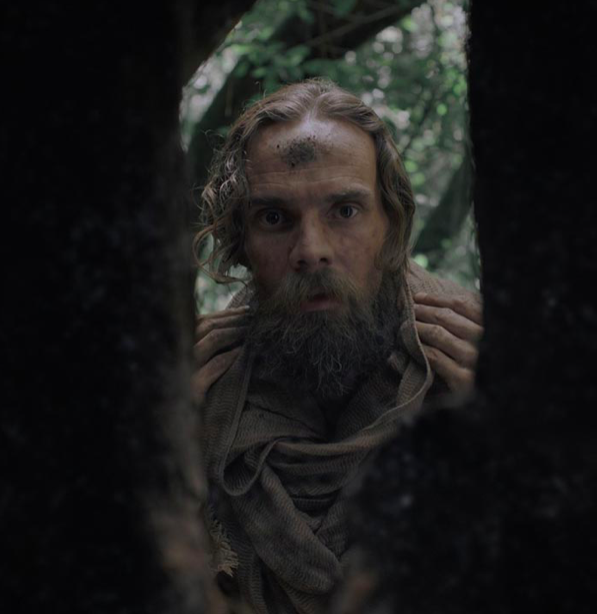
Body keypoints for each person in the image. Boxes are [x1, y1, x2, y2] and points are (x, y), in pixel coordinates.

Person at [192, 78, 483, 614]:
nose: (311, 250)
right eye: (274, 218)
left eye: (344, 210)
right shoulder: (201, 385)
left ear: (391, 224)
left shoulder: (480, 358)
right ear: (241, 241)